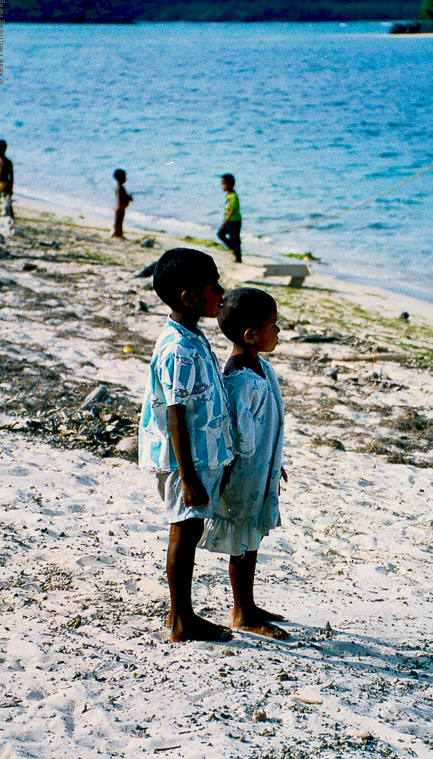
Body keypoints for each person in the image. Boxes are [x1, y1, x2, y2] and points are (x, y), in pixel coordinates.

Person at [138, 248, 234, 643]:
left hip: (195, 456)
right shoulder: (178, 348)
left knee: (189, 530)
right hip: (184, 462)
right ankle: (182, 621)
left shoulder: (191, 335)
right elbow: (175, 414)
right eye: (214, 286)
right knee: (184, 531)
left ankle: (180, 614)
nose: (222, 292)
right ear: (190, 298)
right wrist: (190, 476)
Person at [200, 287, 289, 639]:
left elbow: (264, 424)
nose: (279, 331)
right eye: (273, 324)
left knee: (251, 537)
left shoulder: (261, 367)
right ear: (252, 335)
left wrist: (274, 461)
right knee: (242, 537)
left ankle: (248, 604)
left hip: (260, 468)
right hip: (242, 474)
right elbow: (240, 435)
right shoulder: (240, 380)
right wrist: (258, 460)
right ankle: (241, 610)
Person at [217, 173, 242, 263]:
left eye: (223, 184)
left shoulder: (234, 196)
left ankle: (238, 257)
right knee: (221, 234)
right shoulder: (228, 195)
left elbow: (233, 210)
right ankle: (233, 249)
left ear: (229, 185)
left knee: (234, 239)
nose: (222, 186)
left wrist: (225, 222)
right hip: (229, 221)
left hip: (234, 222)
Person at [0, 140, 14, 222]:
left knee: (7, 202)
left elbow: (11, 176)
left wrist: (10, 187)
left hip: (4, 184)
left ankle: (11, 216)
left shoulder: (7, 162)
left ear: (2, 149)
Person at [111, 168, 133, 238]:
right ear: (120, 178)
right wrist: (128, 199)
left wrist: (128, 198)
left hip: (118, 207)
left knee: (118, 222)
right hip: (120, 208)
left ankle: (117, 234)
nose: (125, 179)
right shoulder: (121, 188)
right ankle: (118, 235)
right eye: (124, 177)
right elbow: (121, 199)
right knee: (119, 222)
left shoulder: (118, 187)